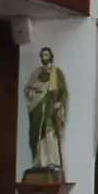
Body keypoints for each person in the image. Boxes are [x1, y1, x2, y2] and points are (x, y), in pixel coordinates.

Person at [25, 47, 68, 178]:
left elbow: (64, 91)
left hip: (49, 106)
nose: (44, 57)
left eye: (46, 54)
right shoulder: (36, 73)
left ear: (50, 56)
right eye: (42, 55)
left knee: (49, 131)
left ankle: (52, 161)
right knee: (37, 133)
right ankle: (40, 161)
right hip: (37, 108)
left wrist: (59, 103)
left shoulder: (56, 73)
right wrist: (31, 91)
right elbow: (28, 89)